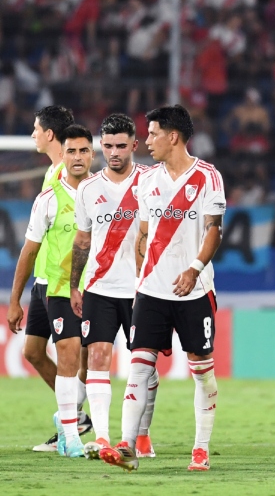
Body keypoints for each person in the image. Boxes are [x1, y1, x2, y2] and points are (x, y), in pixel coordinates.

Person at [100, 105, 225, 472]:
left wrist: (194, 268)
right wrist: (141, 279)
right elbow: (142, 234)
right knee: (139, 366)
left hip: (194, 290)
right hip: (152, 292)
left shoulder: (208, 177)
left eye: (153, 133)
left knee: (202, 370)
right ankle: (126, 445)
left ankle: (200, 448)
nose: (147, 140)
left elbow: (214, 230)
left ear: (173, 137)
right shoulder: (147, 180)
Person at [69, 114, 157, 460]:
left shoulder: (152, 181)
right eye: (108, 146)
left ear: (134, 145)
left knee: (143, 366)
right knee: (98, 357)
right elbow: (82, 239)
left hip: (144, 289)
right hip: (100, 287)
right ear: (99, 147)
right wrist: (75, 286)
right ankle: (104, 439)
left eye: (121, 145)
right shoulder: (88, 189)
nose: (115, 152)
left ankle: (142, 435)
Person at [6, 106, 92, 452]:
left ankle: (73, 420)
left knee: (75, 352)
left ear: (50, 135)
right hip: (43, 280)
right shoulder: (53, 177)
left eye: (36, 129)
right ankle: (75, 414)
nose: (33, 135)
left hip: (68, 283)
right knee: (32, 351)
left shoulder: (74, 181)